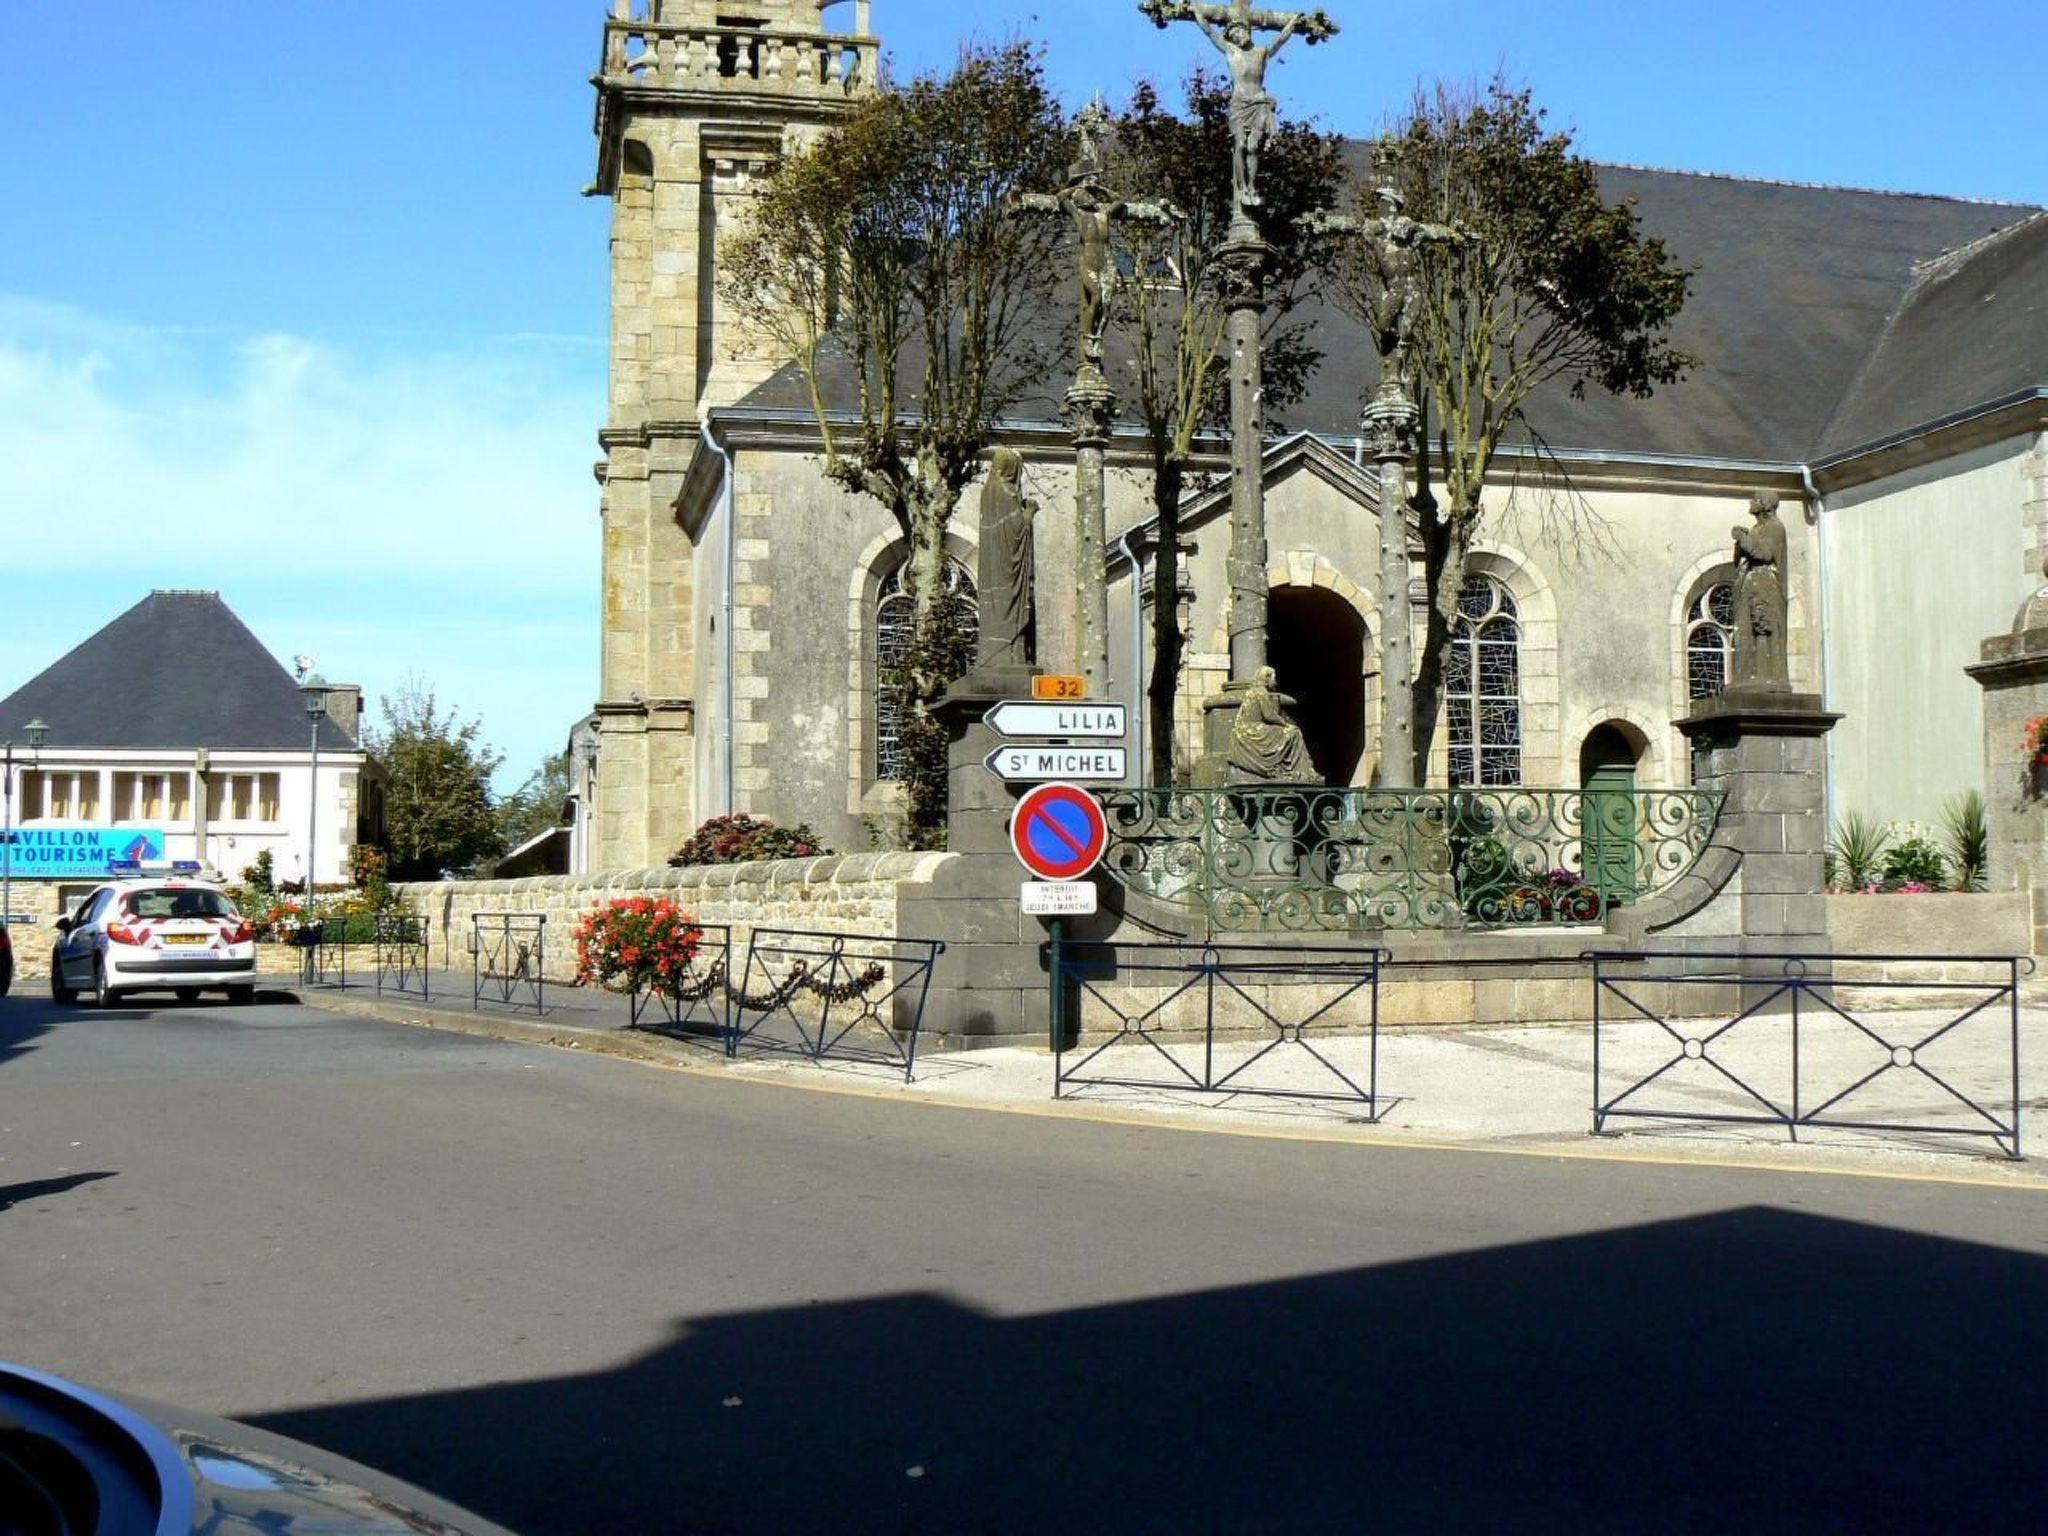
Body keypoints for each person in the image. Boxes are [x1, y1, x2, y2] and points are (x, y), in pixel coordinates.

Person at [975, 447, 1036, 669]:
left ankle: (1000, 655)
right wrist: (1029, 512)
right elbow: (1016, 529)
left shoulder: (987, 491)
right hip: (1009, 570)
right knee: (1013, 611)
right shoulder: (1006, 492)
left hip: (993, 569)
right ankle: (1012, 654)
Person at [1729, 491, 1790, 688]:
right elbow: (1739, 559)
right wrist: (1741, 541)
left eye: (1754, 499)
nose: (1750, 501)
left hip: (1765, 584)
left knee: (1762, 627)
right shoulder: (1756, 529)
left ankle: (1766, 677)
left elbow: (1764, 554)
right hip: (1750, 582)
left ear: (1764, 504)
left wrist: (1744, 539)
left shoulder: (1775, 528)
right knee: (1746, 630)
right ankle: (1746, 677)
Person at [1228, 666, 1317, 782]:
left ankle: (1293, 768)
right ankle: (1298, 769)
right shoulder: (1262, 692)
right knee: (1294, 732)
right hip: (1254, 730)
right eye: (1273, 679)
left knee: (1289, 732)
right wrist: (1284, 723)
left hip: (1244, 729)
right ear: (1267, 678)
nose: (1275, 682)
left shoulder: (1252, 691)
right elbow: (1269, 715)